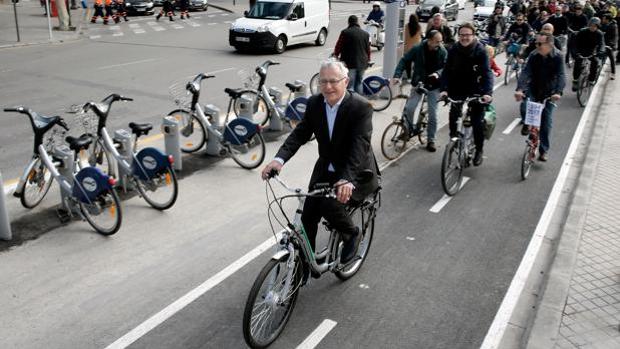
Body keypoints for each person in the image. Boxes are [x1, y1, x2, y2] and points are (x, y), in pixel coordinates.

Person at [260, 59, 380, 265]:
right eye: (323, 81)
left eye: (333, 81)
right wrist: (278, 160)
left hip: (356, 171)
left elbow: (359, 146)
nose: (328, 86)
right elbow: (300, 133)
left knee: (329, 205)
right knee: (308, 215)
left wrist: (347, 179)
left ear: (346, 81)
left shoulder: (360, 107)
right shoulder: (315, 103)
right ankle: (305, 264)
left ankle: (351, 234)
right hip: (326, 168)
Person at [440, 22, 494, 166]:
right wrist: (444, 89)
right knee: (454, 119)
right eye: (462, 35)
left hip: (476, 92)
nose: (464, 38)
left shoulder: (480, 51)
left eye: (467, 35)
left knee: (477, 123)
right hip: (457, 90)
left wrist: (487, 93)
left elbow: (487, 73)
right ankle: (453, 142)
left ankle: (479, 150)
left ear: (473, 36)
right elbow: (446, 71)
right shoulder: (454, 50)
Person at [392, 31, 447, 152]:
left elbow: (446, 67)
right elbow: (404, 60)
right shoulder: (418, 48)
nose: (440, 43)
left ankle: (431, 139)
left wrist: (437, 73)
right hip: (419, 83)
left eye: (441, 41)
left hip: (434, 86)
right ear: (430, 40)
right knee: (410, 108)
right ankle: (407, 131)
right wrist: (397, 75)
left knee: (433, 114)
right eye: (437, 41)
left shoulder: (442, 51)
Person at [515, 33, 565, 161]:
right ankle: (527, 123)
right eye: (536, 43)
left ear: (550, 44)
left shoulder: (558, 57)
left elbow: (561, 75)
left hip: (550, 92)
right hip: (534, 88)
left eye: (539, 44)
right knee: (525, 106)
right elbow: (526, 72)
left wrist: (558, 92)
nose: (536, 46)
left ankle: (543, 150)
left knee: (546, 122)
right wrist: (520, 89)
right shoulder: (534, 55)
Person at [333, 15, 371, 94]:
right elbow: (368, 49)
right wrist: (368, 59)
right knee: (359, 82)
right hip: (363, 62)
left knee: (349, 84)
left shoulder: (345, 32)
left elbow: (338, 45)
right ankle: (359, 102)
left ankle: (349, 103)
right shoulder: (365, 34)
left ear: (348, 22)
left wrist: (336, 55)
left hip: (350, 62)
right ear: (357, 22)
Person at [572, 17, 606, 90]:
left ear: (597, 26)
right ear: (589, 25)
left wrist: (601, 51)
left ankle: (591, 80)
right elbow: (575, 43)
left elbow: (602, 44)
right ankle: (575, 80)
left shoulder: (599, 34)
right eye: (591, 25)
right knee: (577, 63)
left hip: (592, 52)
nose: (592, 27)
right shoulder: (582, 31)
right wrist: (576, 53)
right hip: (581, 50)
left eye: (595, 26)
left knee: (595, 62)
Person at [601, 12, 617, 76]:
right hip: (603, 43)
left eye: (604, 19)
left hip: (609, 45)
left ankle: (613, 73)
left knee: (611, 59)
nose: (602, 20)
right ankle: (601, 70)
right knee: (600, 57)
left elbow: (614, 37)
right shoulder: (604, 24)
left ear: (607, 20)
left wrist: (611, 45)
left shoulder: (613, 26)